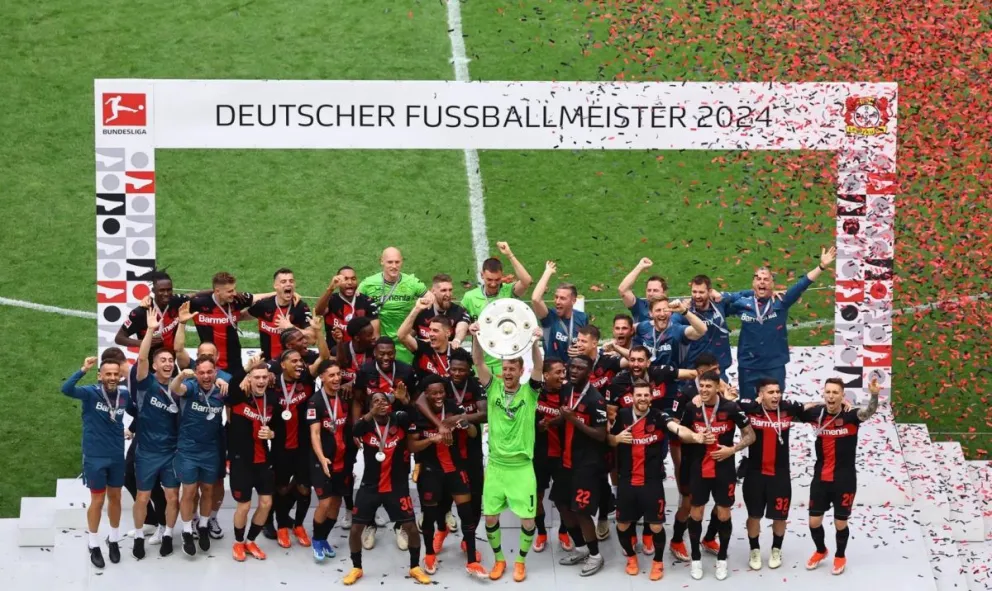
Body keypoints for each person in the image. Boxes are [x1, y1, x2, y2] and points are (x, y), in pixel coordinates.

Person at [608, 380, 707, 581]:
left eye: (646, 395)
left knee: (655, 527)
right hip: (627, 481)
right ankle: (631, 558)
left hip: (652, 482)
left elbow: (677, 429)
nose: (643, 398)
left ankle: (658, 562)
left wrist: (695, 437)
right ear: (633, 397)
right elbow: (609, 439)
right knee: (622, 525)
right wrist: (616, 439)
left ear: (651, 397)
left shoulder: (659, 416)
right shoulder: (623, 415)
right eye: (639, 395)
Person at [470, 322, 544, 582]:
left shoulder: (530, 392)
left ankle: (520, 562)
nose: (508, 372)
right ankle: (500, 560)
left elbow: (539, 367)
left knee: (528, 520)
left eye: (513, 368)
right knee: (490, 517)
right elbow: (478, 363)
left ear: (521, 370)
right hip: (497, 466)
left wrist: (534, 342)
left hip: (522, 467)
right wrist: (476, 336)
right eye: (505, 368)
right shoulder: (493, 389)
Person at [726, 247, 836, 402]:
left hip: (774, 366)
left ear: (772, 283)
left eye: (766, 279)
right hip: (748, 366)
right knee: (748, 407)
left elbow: (802, 285)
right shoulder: (741, 303)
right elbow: (718, 303)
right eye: (758, 279)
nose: (762, 282)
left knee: (774, 407)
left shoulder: (781, 301)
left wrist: (821, 267)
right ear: (753, 283)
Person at [343, 392, 431, 585]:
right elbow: (354, 430)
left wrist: (406, 402)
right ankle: (356, 568)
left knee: (411, 527)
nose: (380, 403)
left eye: (384, 400)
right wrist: (370, 414)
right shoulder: (365, 425)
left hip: (396, 487)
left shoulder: (399, 420)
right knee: (356, 528)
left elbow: (414, 419)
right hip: (370, 486)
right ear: (370, 407)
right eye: (375, 401)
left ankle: (415, 566)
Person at [800, 377, 881, 576]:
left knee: (840, 523)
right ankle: (821, 551)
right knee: (813, 522)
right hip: (821, 478)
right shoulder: (815, 413)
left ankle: (840, 555)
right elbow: (793, 410)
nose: (831, 396)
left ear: (843, 395)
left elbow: (869, 412)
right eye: (828, 392)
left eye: (836, 393)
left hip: (844, 480)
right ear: (823, 393)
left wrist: (874, 395)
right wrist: (819, 403)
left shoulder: (852, 416)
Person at [409, 375, 487, 577]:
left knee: (466, 514)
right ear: (426, 394)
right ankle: (429, 554)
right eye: (434, 393)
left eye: (441, 392)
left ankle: (471, 561)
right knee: (430, 516)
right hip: (430, 471)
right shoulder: (417, 413)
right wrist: (431, 440)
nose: (438, 396)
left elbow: (473, 434)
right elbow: (411, 445)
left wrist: (465, 424)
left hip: (455, 468)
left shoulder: (453, 406)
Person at [681, 371, 756, 581]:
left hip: (723, 468)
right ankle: (695, 559)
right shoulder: (691, 408)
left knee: (724, 513)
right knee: (696, 513)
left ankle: (722, 559)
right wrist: (696, 438)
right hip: (698, 468)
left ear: (717, 388)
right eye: (701, 386)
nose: (704, 390)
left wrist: (732, 450)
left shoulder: (731, 408)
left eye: (708, 386)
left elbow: (751, 435)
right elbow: (681, 435)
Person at [62, 355, 130, 568]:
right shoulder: (90, 393)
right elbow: (66, 389)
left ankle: (114, 539)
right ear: (100, 376)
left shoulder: (124, 394)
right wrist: (83, 369)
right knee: (98, 501)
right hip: (95, 456)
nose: (112, 377)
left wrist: (133, 430)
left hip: (117, 455)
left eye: (115, 374)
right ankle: (93, 543)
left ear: (120, 376)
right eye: (107, 374)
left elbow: (137, 412)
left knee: (116, 498)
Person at [351, 336, 416, 551]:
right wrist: (356, 426)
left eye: (390, 353)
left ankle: (400, 525)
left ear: (395, 353)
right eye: (382, 353)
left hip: (398, 429)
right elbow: (358, 399)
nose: (386, 357)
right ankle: (369, 523)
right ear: (374, 354)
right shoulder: (365, 370)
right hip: (372, 428)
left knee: (399, 474)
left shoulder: (406, 371)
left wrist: (403, 399)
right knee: (371, 473)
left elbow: (413, 405)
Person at [736, 378, 806, 570]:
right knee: (754, 515)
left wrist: (839, 403)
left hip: (780, 474)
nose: (776, 395)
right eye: (770, 392)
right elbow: (731, 404)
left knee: (780, 516)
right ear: (760, 394)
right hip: (755, 473)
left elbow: (810, 408)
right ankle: (754, 550)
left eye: (778, 391)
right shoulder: (750, 410)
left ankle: (776, 549)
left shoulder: (787, 409)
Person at [549, 355, 609, 577]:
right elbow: (565, 416)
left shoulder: (596, 400)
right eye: (571, 366)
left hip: (587, 465)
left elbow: (601, 435)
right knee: (561, 504)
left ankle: (595, 555)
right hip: (566, 461)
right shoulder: (567, 391)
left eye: (579, 368)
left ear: (589, 371)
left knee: (582, 512)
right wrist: (552, 422)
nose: (573, 371)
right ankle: (581, 547)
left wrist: (574, 420)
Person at [128, 311, 180, 560]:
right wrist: (150, 330)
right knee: (143, 496)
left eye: (171, 360)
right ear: (155, 364)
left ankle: (168, 533)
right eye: (164, 360)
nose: (169, 363)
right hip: (147, 452)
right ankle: (139, 536)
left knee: (172, 496)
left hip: (171, 452)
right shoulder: (145, 383)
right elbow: (141, 358)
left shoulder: (179, 388)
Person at [168, 357, 226, 557]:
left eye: (209, 372)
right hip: (188, 449)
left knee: (208, 489)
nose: (206, 376)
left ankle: (203, 526)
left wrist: (227, 382)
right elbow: (176, 388)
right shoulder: (191, 388)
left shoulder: (221, 390)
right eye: (201, 372)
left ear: (215, 372)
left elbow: (241, 384)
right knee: (189, 490)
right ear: (196, 373)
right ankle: (186, 531)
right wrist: (182, 375)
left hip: (210, 449)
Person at [569, 325, 623, 541]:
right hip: (582, 429)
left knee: (607, 470)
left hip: (607, 426)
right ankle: (603, 509)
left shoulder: (608, 361)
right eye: (578, 340)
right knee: (594, 475)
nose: (578, 345)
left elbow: (637, 362)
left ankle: (604, 513)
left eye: (583, 341)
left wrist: (617, 348)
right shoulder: (574, 364)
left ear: (594, 343)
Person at [460, 242, 534, 377]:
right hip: (481, 363)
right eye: (489, 279)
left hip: (507, 364)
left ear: (502, 276)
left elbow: (526, 281)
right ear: (482, 275)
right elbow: (459, 327)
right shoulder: (470, 298)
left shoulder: (508, 291)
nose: (493, 283)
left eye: (497, 279)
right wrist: (470, 329)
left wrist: (509, 255)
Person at [269, 349, 318, 549]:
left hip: (304, 446)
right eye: (294, 360)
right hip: (280, 447)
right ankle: (281, 525)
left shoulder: (307, 381)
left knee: (304, 488)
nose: (300, 364)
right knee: (280, 488)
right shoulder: (272, 385)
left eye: (301, 361)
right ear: (283, 364)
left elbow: (324, 359)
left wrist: (318, 333)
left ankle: (298, 525)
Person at [226, 363, 275, 562]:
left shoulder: (272, 399)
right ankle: (238, 542)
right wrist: (245, 370)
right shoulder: (239, 396)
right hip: (241, 462)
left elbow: (278, 426)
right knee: (244, 506)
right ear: (250, 379)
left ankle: (251, 540)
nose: (261, 381)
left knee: (266, 503)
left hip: (263, 460)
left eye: (264, 377)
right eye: (257, 377)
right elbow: (231, 385)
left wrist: (272, 433)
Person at [306, 360, 353, 561]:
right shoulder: (314, 402)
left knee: (336, 502)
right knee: (324, 503)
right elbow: (314, 434)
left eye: (338, 374)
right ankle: (316, 539)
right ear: (322, 377)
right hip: (322, 461)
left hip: (342, 459)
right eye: (331, 375)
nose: (336, 378)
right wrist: (322, 458)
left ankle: (324, 537)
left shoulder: (344, 397)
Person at [357, 247, 427, 365]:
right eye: (390, 262)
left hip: (404, 343)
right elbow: (356, 308)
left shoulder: (412, 282)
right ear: (382, 261)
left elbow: (430, 301)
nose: (394, 266)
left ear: (401, 262)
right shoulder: (368, 283)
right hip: (379, 343)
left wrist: (415, 331)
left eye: (397, 262)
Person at [678, 275, 755, 377]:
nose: (697, 296)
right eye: (694, 292)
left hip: (719, 366)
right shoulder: (685, 311)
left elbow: (742, 294)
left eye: (701, 292)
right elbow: (672, 325)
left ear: (709, 292)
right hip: (696, 368)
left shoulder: (719, 303)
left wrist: (768, 292)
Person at [532, 359, 572, 553]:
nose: (562, 375)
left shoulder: (569, 394)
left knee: (564, 498)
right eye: (557, 372)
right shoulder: (535, 393)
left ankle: (564, 532)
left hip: (563, 455)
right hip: (539, 456)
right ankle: (541, 533)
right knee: (537, 497)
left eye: (564, 371)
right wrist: (536, 426)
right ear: (545, 375)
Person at [187, 272, 257, 375]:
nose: (234, 293)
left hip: (234, 363)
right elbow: (175, 300)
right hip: (209, 365)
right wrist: (200, 293)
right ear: (217, 291)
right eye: (230, 291)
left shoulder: (236, 300)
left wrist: (281, 293)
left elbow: (261, 298)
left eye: (234, 289)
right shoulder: (198, 303)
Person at [247, 267, 314, 360]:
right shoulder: (263, 305)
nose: (288, 284)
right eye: (283, 282)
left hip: (293, 364)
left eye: (291, 281)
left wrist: (290, 327)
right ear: (275, 285)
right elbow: (239, 315)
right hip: (268, 362)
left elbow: (313, 338)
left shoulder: (300, 307)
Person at [114, 270, 190, 352]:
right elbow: (119, 338)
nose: (166, 294)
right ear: (153, 290)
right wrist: (143, 342)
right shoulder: (141, 312)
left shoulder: (176, 301)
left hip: (171, 359)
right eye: (162, 290)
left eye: (169, 290)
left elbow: (195, 295)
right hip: (147, 360)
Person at [531, 261, 587, 363]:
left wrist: (582, 350)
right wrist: (547, 272)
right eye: (556, 297)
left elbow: (588, 343)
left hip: (574, 371)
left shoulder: (582, 317)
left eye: (562, 298)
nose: (557, 301)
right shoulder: (549, 316)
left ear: (573, 301)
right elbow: (535, 299)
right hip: (553, 373)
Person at [315, 267, 380, 351]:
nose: (350, 282)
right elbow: (318, 312)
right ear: (338, 282)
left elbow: (375, 335)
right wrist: (330, 288)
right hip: (335, 352)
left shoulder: (367, 301)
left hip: (362, 353)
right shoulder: (331, 300)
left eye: (353, 279)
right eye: (345, 279)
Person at [632, 296, 707, 368]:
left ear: (671, 312)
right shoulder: (643, 327)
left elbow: (702, 330)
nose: (662, 314)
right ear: (651, 313)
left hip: (674, 379)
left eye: (665, 310)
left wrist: (684, 311)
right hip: (649, 379)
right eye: (658, 310)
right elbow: (627, 329)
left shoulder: (677, 330)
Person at [397, 293, 454, 382]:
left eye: (435, 330)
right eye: (430, 330)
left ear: (447, 333)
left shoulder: (457, 353)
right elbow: (401, 336)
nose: (430, 334)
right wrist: (417, 309)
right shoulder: (423, 347)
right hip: (424, 393)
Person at [412, 274, 470, 346]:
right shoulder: (421, 311)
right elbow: (407, 336)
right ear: (433, 291)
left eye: (450, 290)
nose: (448, 294)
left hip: (449, 356)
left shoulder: (459, 311)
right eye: (443, 290)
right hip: (424, 356)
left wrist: (456, 340)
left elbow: (461, 329)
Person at [617, 258, 669, 323]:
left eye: (655, 290)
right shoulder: (640, 306)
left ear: (664, 293)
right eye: (649, 290)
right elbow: (623, 290)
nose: (651, 293)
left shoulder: (674, 310)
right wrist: (640, 266)